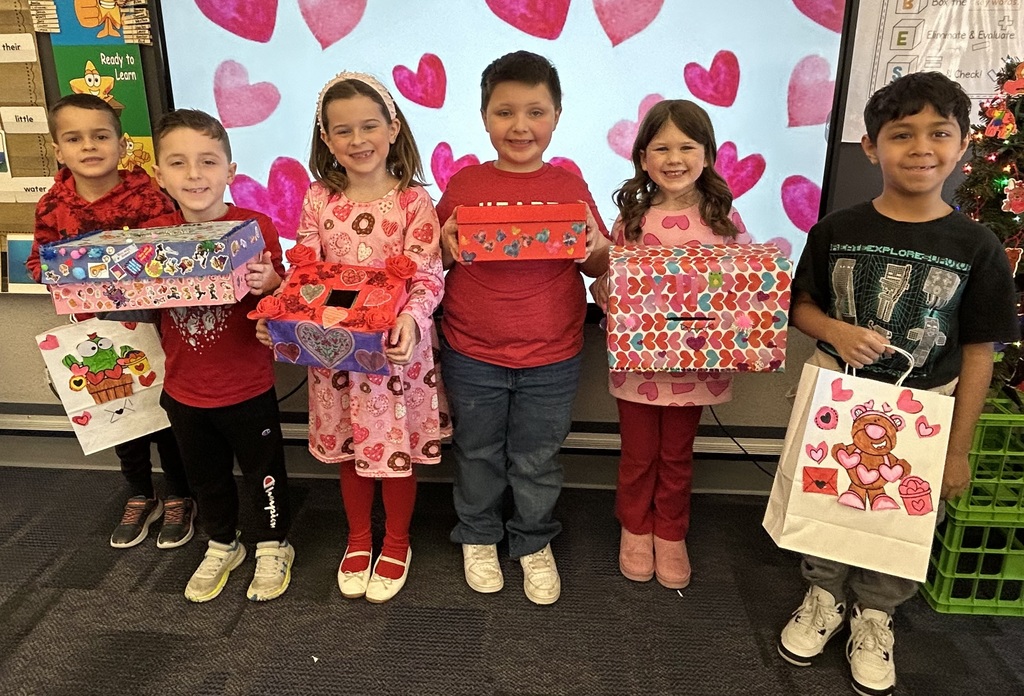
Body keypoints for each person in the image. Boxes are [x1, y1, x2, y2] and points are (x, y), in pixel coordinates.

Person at [778, 72, 1018, 696]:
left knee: (901, 515)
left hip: (926, 408)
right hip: (840, 395)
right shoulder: (836, 229)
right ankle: (822, 596)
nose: (920, 148)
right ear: (870, 146)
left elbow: (978, 351)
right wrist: (834, 327)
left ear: (963, 145)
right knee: (826, 500)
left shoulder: (978, 244)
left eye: (939, 133)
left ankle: (876, 614)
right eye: (901, 133)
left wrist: (957, 449)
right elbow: (799, 308)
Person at [256, 72, 447, 604]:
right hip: (336, 354)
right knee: (348, 449)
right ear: (325, 138)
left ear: (392, 128)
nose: (357, 140)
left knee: (395, 448)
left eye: (369, 126)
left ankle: (397, 541)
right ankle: (359, 539)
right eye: (342, 131)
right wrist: (284, 305)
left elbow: (429, 275)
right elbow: (308, 270)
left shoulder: (413, 202)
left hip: (395, 356)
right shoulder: (319, 198)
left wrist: (411, 318)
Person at [436, 51, 610, 605]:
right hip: (471, 348)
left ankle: (533, 539)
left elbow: (597, 264)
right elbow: (432, 261)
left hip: (554, 352)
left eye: (535, 111)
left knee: (538, 456)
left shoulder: (569, 187)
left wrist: (601, 247)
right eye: (505, 111)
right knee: (477, 449)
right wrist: (442, 244)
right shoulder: (464, 185)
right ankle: (479, 533)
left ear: (556, 115)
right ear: (484, 118)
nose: (520, 125)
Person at [591, 100, 751, 590]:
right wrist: (605, 290)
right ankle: (635, 527)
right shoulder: (631, 222)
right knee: (639, 453)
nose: (674, 157)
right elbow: (608, 283)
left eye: (687, 146)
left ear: (707, 155)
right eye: (661, 147)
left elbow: (749, 283)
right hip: (638, 365)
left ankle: (671, 531)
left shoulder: (724, 219)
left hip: (696, 368)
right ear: (643, 158)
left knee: (678, 454)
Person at [27, 93, 194, 551]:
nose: (89, 146)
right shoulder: (51, 205)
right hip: (90, 331)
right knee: (118, 416)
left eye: (101, 136)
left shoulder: (148, 198)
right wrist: (66, 271)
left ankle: (180, 494)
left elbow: (169, 257)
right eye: (74, 138)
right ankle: (141, 493)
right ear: (59, 150)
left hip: (149, 328)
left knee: (162, 414)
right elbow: (39, 265)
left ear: (122, 144)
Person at [147, 109, 294, 603]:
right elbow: (137, 305)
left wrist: (273, 284)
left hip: (248, 387)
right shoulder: (149, 243)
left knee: (264, 474)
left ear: (230, 171)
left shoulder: (256, 228)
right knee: (204, 476)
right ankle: (222, 541)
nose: (194, 175)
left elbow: (286, 301)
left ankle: (274, 544)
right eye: (179, 163)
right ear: (159, 174)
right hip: (184, 390)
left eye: (208, 162)